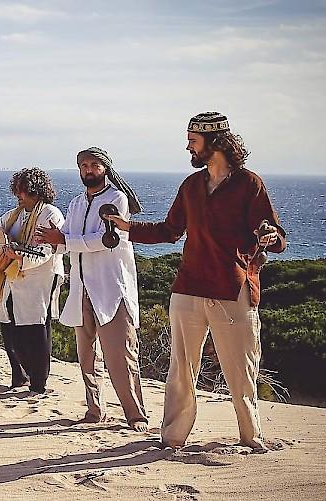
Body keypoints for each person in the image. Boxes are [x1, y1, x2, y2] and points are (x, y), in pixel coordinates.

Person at [105, 112, 287, 449]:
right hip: (187, 289)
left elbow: (276, 237)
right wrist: (128, 228)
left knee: (241, 371)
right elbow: (170, 230)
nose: (187, 145)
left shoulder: (250, 184)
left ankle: (251, 437)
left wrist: (270, 236)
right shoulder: (191, 186)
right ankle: (172, 438)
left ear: (214, 142)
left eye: (193, 139)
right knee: (181, 369)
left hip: (233, 290)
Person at [36, 147, 149, 431]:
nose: (88, 170)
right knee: (86, 357)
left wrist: (63, 239)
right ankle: (94, 410)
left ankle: (136, 415)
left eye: (94, 165)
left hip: (111, 290)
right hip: (81, 289)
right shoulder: (75, 204)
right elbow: (67, 242)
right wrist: (50, 240)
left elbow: (104, 240)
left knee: (121, 356)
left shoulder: (116, 199)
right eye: (84, 165)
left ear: (105, 168)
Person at [0, 168, 64, 394]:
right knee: (9, 328)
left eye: (25, 192)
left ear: (37, 191)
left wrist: (21, 257)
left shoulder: (50, 214)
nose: (21, 197)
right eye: (19, 192)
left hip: (38, 280)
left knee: (35, 329)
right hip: (9, 281)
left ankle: (38, 383)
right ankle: (18, 377)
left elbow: (49, 249)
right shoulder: (13, 214)